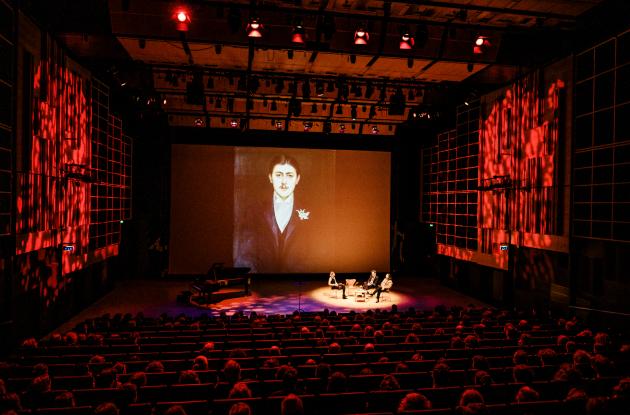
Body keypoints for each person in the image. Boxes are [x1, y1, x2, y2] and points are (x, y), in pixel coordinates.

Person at [235, 155, 319, 273]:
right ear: (270, 178)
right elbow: (246, 256)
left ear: (297, 179)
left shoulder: (313, 213)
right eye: (278, 175)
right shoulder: (254, 211)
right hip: (261, 284)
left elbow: (315, 257)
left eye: (289, 175)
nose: (284, 181)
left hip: (300, 285)